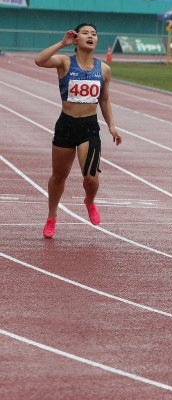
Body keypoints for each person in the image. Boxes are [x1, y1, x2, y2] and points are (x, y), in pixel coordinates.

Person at [33, 24, 122, 239]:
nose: (91, 36)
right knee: (58, 176)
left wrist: (111, 125)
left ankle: (89, 201)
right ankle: (52, 216)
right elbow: (39, 60)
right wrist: (62, 43)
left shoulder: (104, 69)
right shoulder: (65, 62)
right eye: (86, 33)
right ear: (76, 39)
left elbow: (105, 99)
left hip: (89, 127)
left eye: (94, 34)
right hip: (66, 125)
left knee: (91, 178)